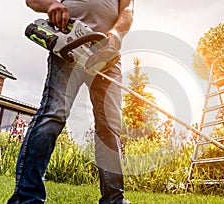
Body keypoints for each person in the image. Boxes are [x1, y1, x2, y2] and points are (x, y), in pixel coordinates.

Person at [7, 0, 134, 203]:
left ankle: (114, 199)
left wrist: (116, 34)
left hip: (107, 57)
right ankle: (27, 197)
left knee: (109, 127)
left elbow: (127, 9)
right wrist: (50, 4)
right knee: (53, 114)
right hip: (69, 46)